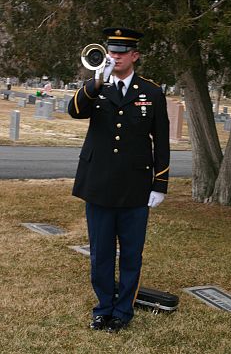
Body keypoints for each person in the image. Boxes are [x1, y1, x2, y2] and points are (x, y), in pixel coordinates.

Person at [68, 27, 170, 333]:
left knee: (130, 254)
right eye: (112, 52)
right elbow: (73, 111)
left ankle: (123, 312)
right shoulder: (97, 86)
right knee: (100, 252)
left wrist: (160, 183)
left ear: (135, 55)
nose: (115, 57)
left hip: (135, 187)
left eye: (122, 53)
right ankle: (103, 308)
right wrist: (97, 80)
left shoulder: (151, 92)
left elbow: (162, 141)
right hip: (98, 184)